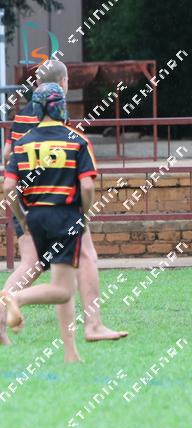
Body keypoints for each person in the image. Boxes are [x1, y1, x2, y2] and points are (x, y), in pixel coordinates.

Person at [1, 59, 126, 346]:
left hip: (27, 204)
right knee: (86, 256)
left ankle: (3, 320)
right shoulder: (57, 116)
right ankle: (93, 324)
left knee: (31, 265)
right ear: (63, 83)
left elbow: (8, 155)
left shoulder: (23, 117)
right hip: (61, 203)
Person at [0, 84, 98, 362]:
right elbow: (87, 186)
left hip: (34, 217)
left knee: (55, 278)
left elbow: (8, 187)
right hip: (64, 215)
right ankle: (14, 297)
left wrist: (22, 217)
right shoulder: (76, 140)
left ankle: (70, 353)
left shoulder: (23, 142)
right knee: (64, 289)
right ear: (60, 106)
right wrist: (85, 215)